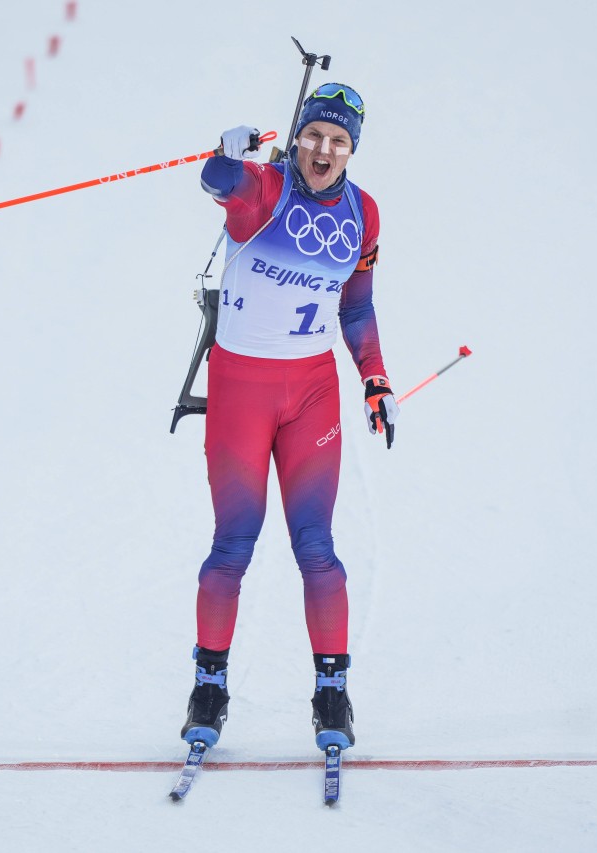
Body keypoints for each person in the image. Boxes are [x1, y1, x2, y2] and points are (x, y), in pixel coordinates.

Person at [180, 83, 398, 752]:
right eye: (313, 136)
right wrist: (226, 150)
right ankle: (208, 686)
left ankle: (332, 692)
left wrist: (374, 379)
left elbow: (355, 308)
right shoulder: (264, 190)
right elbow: (217, 180)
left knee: (317, 547)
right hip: (243, 387)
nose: (323, 150)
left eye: (338, 140)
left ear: (351, 149)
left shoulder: (364, 214)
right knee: (233, 543)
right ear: (296, 137)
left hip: (309, 393)